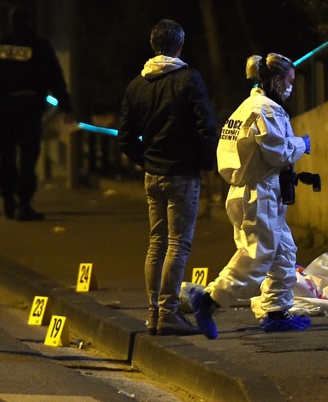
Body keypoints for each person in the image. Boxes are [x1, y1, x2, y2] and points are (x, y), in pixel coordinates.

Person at [190, 53, 312, 339]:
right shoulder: (266, 110)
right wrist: (301, 144)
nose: (291, 87)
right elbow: (277, 152)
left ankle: (276, 311)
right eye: (289, 81)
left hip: (252, 191)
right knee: (256, 256)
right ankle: (209, 300)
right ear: (277, 80)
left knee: (283, 252)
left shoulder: (246, 107)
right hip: (259, 194)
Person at [118, 19, 218, 336]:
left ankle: (153, 315)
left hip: (153, 174)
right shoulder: (189, 80)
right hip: (182, 174)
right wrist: (206, 162)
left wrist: (146, 160)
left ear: (153, 45)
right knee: (178, 244)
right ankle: (169, 313)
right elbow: (206, 126)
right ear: (180, 46)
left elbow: (125, 137)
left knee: (157, 244)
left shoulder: (137, 85)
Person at [0, 7, 75, 221]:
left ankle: (8, 200)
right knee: (28, 155)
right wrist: (65, 105)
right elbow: (54, 75)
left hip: (4, 106)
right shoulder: (38, 44)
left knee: (6, 155)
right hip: (29, 106)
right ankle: (24, 203)